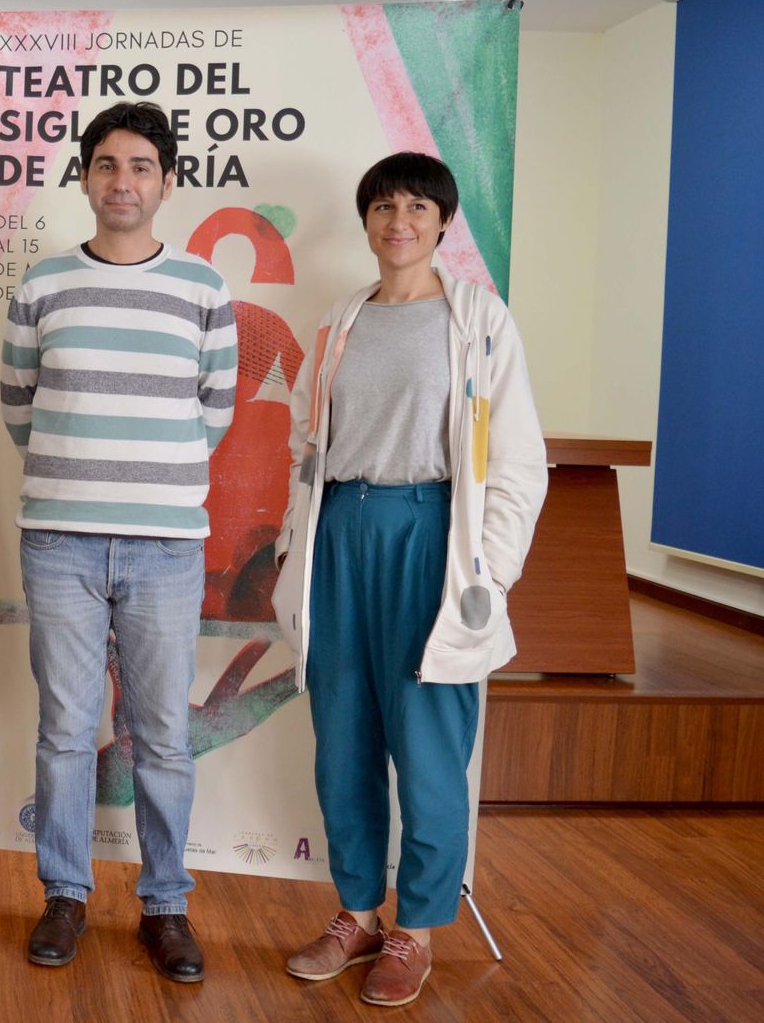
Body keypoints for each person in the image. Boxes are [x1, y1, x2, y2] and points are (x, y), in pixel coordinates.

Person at [272, 152, 547, 1007]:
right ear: (367, 221)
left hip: (431, 534)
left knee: (428, 747)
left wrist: (490, 572)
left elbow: (518, 461)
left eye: (418, 206)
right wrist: (293, 546)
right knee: (344, 737)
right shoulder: (340, 319)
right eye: (384, 205)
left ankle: (415, 928)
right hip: (340, 534)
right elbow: (303, 444)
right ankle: (355, 913)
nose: (400, 220)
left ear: (443, 222)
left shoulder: (479, 319)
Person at [0, 101, 237, 983]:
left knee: (163, 735)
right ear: (87, 177)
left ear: (166, 180)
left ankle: (165, 907)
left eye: (141, 165)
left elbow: (213, 411)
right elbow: (19, 408)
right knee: (66, 730)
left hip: (166, 546)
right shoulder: (43, 285)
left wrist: (145, 478)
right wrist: (85, 474)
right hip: (59, 540)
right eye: (107, 164)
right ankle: (64, 894)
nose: (123, 180)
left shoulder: (204, 288)